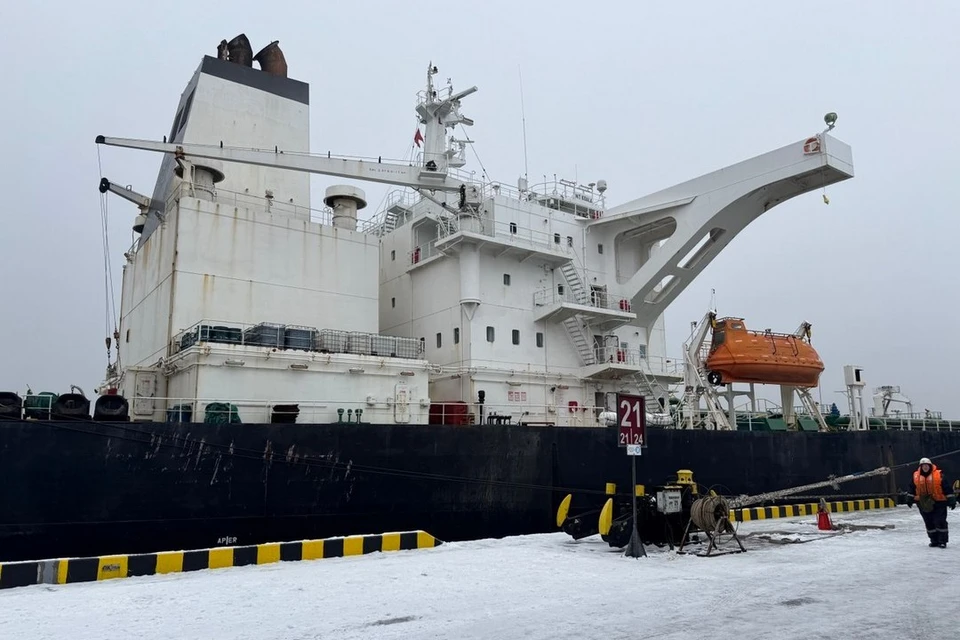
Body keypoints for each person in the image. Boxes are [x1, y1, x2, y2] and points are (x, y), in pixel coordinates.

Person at [908, 457, 956, 548]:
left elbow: (947, 487)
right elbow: (911, 488)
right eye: (923, 466)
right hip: (924, 503)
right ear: (920, 467)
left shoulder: (939, 475)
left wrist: (951, 499)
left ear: (930, 466)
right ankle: (934, 540)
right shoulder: (916, 476)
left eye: (926, 465)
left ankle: (942, 541)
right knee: (929, 522)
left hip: (939, 502)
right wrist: (909, 498)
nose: (925, 467)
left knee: (940, 521)